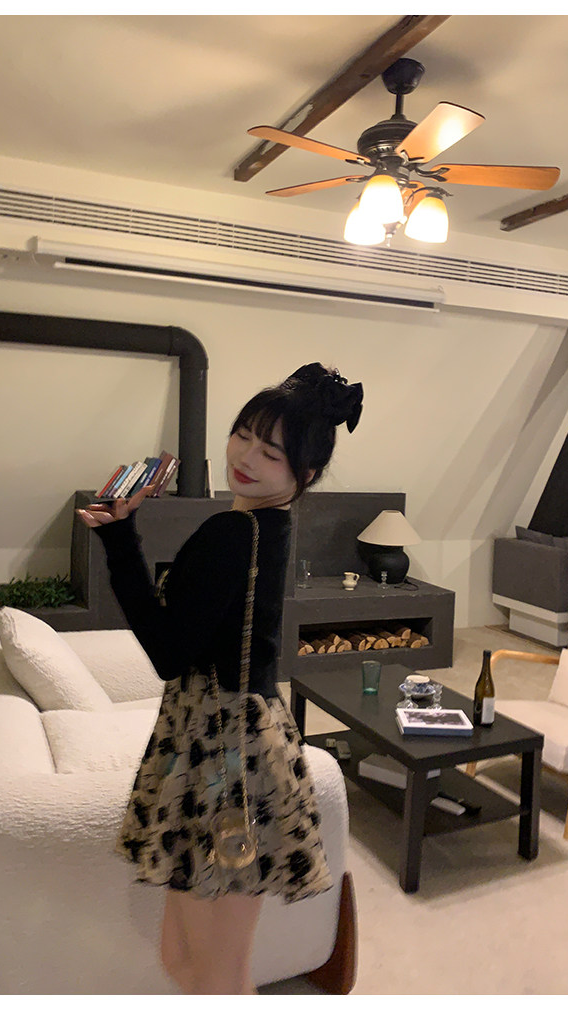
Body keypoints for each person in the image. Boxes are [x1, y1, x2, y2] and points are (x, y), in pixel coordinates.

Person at [77, 362, 363, 995]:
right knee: (182, 957)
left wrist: (120, 539)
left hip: (225, 760)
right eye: (243, 434)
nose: (246, 457)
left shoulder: (236, 532)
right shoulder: (269, 525)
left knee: (216, 973)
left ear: (305, 474)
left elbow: (168, 652)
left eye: (272, 453)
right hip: (227, 740)